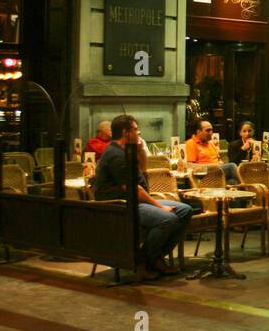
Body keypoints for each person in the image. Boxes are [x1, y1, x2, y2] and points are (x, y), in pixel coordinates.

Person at [93, 114, 192, 278]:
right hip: (120, 205)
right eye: (136, 130)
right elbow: (133, 188)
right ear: (126, 133)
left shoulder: (127, 151)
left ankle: (156, 257)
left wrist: (140, 151)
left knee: (185, 210)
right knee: (168, 218)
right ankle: (142, 261)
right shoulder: (116, 154)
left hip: (134, 200)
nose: (139, 134)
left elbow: (143, 175)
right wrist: (161, 206)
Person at [185, 118, 239, 182]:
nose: (211, 133)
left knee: (232, 181)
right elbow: (190, 165)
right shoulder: (191, 143)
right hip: (203, 175)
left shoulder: (211, 143)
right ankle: (245, 183)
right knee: (231, 166)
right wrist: (214, 166)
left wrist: (220, 163)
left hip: (216, 174)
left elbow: (219, 160)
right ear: (198, 132)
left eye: (212, 130)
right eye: (208, 130)